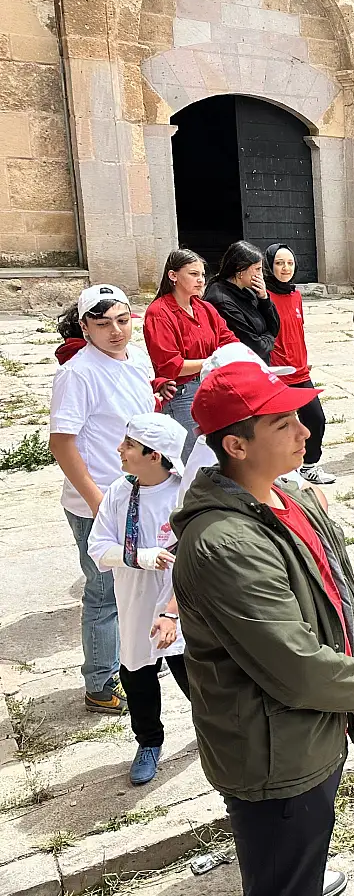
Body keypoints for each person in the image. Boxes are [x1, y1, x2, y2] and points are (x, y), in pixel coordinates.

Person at [173, 361, 354, 896]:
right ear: (236, 446)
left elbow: (336, 592)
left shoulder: (288, 497)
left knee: (303, 856)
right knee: (282, 874)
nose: (306, 431)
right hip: (274, 748)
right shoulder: (225, 543)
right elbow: (292, 660)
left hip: (313, 726)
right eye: (283, 424)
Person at [50, 285, 160, 715]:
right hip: (96, 502)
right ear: (84, 328)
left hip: (136, 493)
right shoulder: (77, 373)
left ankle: (139, 658)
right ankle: (99, 680)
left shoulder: (133, 361)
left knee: (140, 581)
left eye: (122, 320)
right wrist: (97, 503)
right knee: (103, 591)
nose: (116, 331)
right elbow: (63, 443)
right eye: (102, 324)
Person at [87, 413, 190, 785]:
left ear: (155, 456)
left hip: (179, 603)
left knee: (193, 673)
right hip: (135, 602)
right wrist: (141, 556)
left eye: (129, 445)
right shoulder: (120, 493)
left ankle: (219, 733)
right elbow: (97, 546)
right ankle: (148, 741)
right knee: (138, 673)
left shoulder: (182, 494)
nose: (120, 450)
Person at [176, 342, 301, 504]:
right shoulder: (224, 467)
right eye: (257, 386)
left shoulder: (255, 443)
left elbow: (303, 488)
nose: (304, 433)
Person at [144, 248, 238, 456]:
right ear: (173, 275)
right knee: (193, 459)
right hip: (182, 393)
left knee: (218, 454)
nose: (201, 280)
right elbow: (170, 365)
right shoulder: (159, 313)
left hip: (212, 387)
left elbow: (229, 340)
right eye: (193, 274)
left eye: (203, 275)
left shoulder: (205, 309)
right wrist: (214, 362)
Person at [262, 243, 335, 484]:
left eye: (290, 263)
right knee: (279, 426)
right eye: (279, 263)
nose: (285, 268)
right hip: (278, 372)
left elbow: (298, 330)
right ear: (269, 266)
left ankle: (309, 465)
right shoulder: (264, 297)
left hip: (300, 369)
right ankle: (280, 471)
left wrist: (303, 358)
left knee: (316, 418)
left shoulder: (295, 295)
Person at [203, 241, 281, 364]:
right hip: (239, 368)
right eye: (257, 269)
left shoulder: (248, 290)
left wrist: (264, 298)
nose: (261, 275)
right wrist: (269, 336)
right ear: (240, 270)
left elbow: (275, 327)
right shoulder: (221, 300)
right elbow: (256, 347)